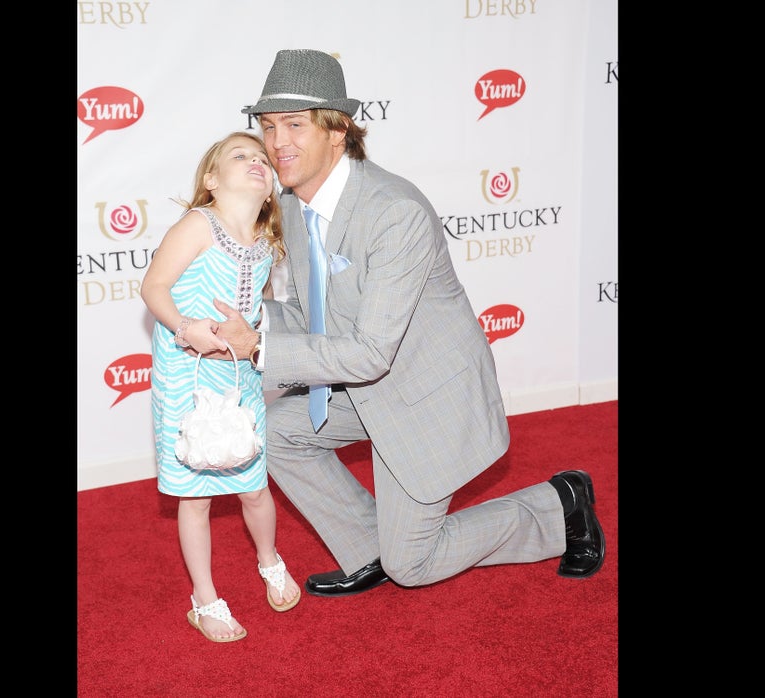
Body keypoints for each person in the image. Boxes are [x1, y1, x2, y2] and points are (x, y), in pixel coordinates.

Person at [214, 49, 605, 597]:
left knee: (413, 566)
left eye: (295, 125)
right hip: (363, 388)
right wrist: (239, 314)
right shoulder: (295, 206)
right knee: (275, 433)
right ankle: (369, 548)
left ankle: (558, 503)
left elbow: (371, 352)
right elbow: (311, 315)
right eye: (269, 124)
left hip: (424, 395)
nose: (278, 141)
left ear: (337, 130)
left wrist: (258, 346)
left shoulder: (393, 211)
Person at [140, 131, 301, 642]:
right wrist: (186, 329)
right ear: (211, 180)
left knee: (255, 487)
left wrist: (255, 343)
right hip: (186, 380)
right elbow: (154, 286)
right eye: (240, 155)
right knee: (197, 498)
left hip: (240, 377)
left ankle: (270, 559)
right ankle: (204, 598)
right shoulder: (197, 225)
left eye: (262, 158)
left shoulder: (269, 241)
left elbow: (260, 312)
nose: (257, 161)